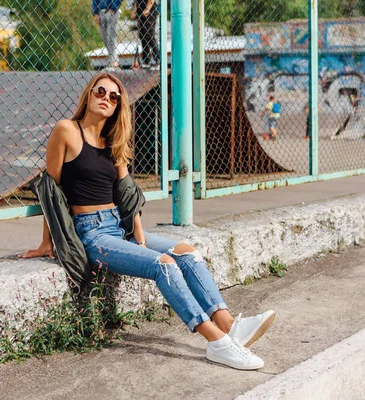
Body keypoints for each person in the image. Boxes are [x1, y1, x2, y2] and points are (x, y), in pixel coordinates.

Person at [19, 73, 275, 370]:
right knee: (163, 264)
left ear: (117, 107)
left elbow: (127, 193)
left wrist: (139, 234)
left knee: (187, 253)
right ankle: (216, 342)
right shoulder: (66, 131)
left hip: (119, 227)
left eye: (114, 96)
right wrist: (46, 243)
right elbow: (52, 190)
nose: (106, 98)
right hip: (92, 236)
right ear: (89, 95)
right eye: (100, 91)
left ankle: (229, 325)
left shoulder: (112, 141)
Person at [93, 0, 123, 70]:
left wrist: (113, 7)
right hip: (101, 11)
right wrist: (95, 13)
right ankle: (110, 61)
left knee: (111, 37)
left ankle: (114, 61)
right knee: (105, 38)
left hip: (112, 11)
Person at [130, 0, 159, 68]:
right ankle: (146, 60)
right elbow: (136, 1)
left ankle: (158, 59)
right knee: (142, 36)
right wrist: (134, 11)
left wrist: (147, 9)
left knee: (149, 35)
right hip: (140, 11)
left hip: (150, 11)